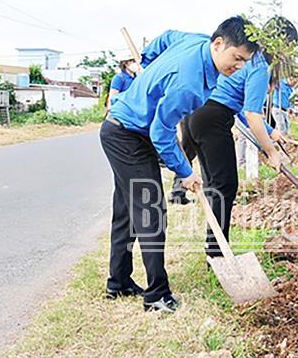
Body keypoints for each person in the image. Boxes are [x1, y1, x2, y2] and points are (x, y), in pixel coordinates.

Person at [100, 17, 258, 312]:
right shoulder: (189, 84)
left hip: (123, 130)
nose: (239, 66)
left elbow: (167, 36)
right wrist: (185, 172)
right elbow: (161, 134)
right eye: (236, 58)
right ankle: (157, 295)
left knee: (127, 209)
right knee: (150, 212)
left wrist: (148, 60)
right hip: (127, 136)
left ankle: (118, 281)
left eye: (244, 62)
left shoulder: (195, 41)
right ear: (218, 44)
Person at [169, 17, 297, 256]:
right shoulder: (260, 66)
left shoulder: (248, 59)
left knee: (216, 186)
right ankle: (218, 253)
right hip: (212, 119)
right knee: (225, 186)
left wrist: (271, 133)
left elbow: (240, 107)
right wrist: (271, 152)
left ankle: (214, 249)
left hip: (197, 115)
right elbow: (252, 113)